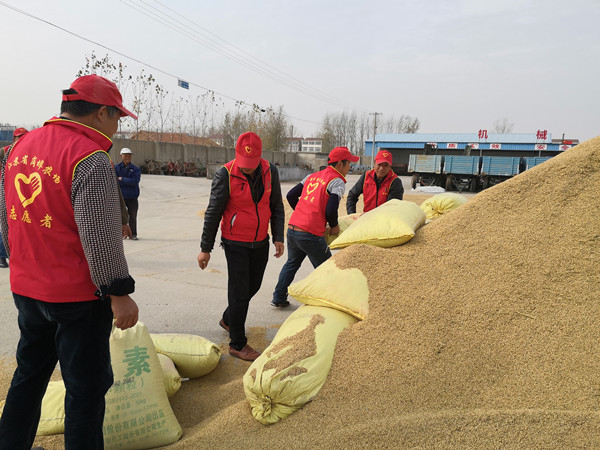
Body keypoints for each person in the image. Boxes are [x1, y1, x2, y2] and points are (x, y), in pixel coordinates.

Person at [0, 74, 139, 449]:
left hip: (28, 290)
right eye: (117, 116)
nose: (116, 126)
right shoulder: (89, 158)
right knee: (85, 390)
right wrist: (119, 293)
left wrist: (23, 264)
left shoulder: (19, 148)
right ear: (102, 113)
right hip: (77, 299)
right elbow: (100, 237)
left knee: (29, 377)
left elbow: (7, 218)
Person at [197, 132, 284, 362]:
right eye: (244, 163)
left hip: (260, 241)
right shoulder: (225, 174)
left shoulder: (270, 171)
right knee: (238, 291)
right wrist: (205, 248)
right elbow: (213, 213)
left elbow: (276, 205)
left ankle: (228, 319)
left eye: (251, 163)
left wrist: (278, 236)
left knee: (252, 286)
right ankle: (237, 344)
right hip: (235, 242)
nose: (247, 168)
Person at [271, 146, 359, 307]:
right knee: (327, 269)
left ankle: (278, 297)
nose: (350, 167)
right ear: (340, 164)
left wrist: (303, 212)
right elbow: (331, 210)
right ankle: (331, 302)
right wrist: (334, 226)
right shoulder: (337, 181)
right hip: (310, 234)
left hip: (293, 229)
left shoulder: (311, 176)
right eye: (349, 164)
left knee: (291, 264)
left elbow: (291, 195)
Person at [0, 127, 29, 268]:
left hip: (20, 191)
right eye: (19, 136)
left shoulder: (29, 150)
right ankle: (3, 256)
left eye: (24, 136)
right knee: (5, 224)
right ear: (14, 138)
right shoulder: (6, 151)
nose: (21, 139)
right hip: (6, 189)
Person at [346, 149, 404, 214]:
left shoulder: (395, 182)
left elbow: (391, 208)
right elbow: (352, 195)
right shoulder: (366, 176)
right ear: (374, 164)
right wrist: (352, 214)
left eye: (385, 165)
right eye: (379, 164)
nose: (381, 168)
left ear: (390, 166)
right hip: (367, 217)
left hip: (385, 218)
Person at [115, 147, 141, 240]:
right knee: (119, 216)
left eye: (129, 156)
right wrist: (127, 181)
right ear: (121, 156)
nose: (127, 157)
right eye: (125, 156)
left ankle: (133, 234)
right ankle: (120, 234)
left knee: (132, 216)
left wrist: (122, 179)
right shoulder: (116, 168)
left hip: (132, 197)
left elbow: (135, 181)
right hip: (121, 197)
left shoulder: (135, 169)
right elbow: (115, 181)